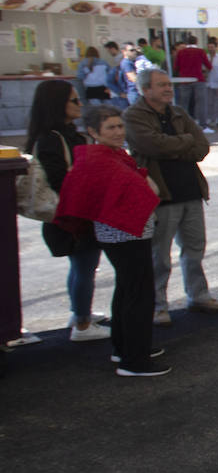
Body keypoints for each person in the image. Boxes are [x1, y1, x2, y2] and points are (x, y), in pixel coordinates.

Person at [54, 105, 164, 375]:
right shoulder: (99, 160)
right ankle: (134, 360)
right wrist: (144, 184)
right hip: (122, 233)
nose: (118, 132)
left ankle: (125, 348)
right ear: (93, 131)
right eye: (111, 128)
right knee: (138, 293)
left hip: (128, 230)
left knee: (128, 289)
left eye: (119, 126)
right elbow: (143, 190)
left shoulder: (111, 156)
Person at [123, 69, 218, 325]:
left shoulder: (178, 112)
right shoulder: (133, 116)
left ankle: (198, 296)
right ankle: (158, 305)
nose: (168, 89)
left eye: (169, 84)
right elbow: (150, 146)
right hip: (161, 197)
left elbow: (202, 146)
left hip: (190, 191)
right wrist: (184, 143)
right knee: (159, 256)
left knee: (194, 250)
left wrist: (172, 146)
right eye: (161, 85)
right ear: (145, 90)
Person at [27, 79, 109, 341]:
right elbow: (59, 179)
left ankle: (80, 313)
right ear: (57, 104)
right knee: (84, 265)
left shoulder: (62, 133)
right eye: (74, 100)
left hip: (74, 211)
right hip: (72, 213)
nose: (80, 104)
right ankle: (82, 324)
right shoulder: (53, 139)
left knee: (82, 265)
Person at [172, 35, 212, 131]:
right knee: (201, 103)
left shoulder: (181, 52)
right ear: (196, 42)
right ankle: (203, 125)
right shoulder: (201, 51)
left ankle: (183, 125)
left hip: (184, 80)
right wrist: (204, 72)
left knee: (184, 104)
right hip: (198, 79)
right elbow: (209, 66)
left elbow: (175, 67)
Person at [203, 39, 218, 132]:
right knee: (210, 103)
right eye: (209, 47)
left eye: (212, 47)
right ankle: (212, 120)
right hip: (208, 83)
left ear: (216, 47)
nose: (210, 49)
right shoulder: (205, 57)